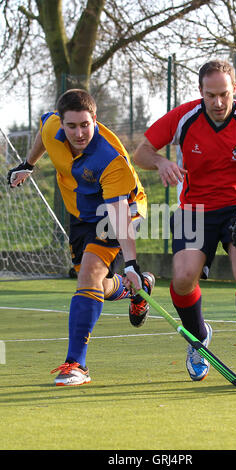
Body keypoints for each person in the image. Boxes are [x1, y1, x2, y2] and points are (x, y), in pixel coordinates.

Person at [133, 60, 236, 383]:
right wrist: (161, 162)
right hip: (194, 209)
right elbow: (140, 154)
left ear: (234, 89)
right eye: (211, 95)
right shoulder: (184, 117)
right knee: (182, 279)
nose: (218, 102)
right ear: (200, 92)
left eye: (224, 94)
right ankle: (198, 340)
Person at [7, 89, 155, 386]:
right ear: (61, 123)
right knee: (97, 283)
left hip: (120, 212)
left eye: (85, 125)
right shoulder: (53, 128)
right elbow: (43, 133)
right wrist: (29, 164)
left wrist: (131, 264)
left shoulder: (111, 159)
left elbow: (119, 213)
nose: (79, 133)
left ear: (95, 120)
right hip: (81, 214)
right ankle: (135, 291)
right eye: (71, 126)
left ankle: (76, 364)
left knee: (87, 276)